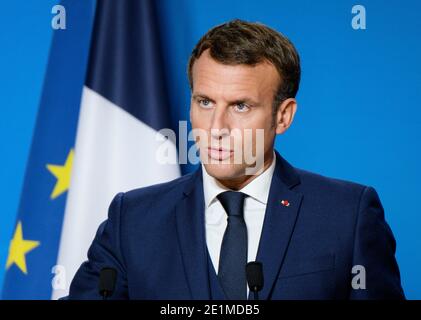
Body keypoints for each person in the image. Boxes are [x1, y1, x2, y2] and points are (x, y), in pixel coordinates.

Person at [68, 19, 404, 299]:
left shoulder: (347, 215)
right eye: (205, 102)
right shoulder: (134, 221)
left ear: (283, 116)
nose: (216, 128)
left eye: (240, 106)